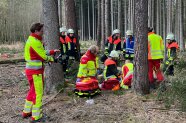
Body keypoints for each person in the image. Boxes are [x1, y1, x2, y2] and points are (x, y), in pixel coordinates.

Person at [22, 23, 60, 122]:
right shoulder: (34, 41)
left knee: (32, 91)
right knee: (38, 93)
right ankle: (36, 116)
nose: (43, 32)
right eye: (41, 30)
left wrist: (52, 51)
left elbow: (41, 52)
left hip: (32, 71)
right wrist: (53, 59)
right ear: (36, 31)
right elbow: (42, 56)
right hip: (35, 72)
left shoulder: (33, 40)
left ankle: (26, 111)